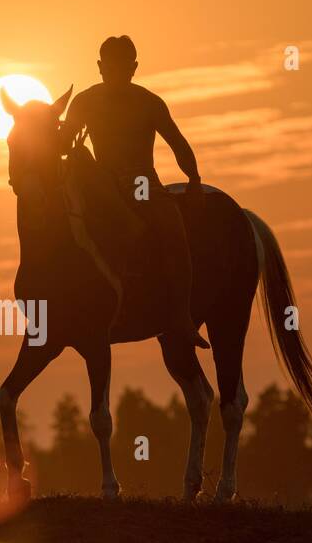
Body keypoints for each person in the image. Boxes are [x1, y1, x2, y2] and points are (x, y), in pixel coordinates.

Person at [61, 35, 209, 349]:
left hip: (144, 186)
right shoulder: (84, 103)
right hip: (100, 190)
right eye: (110, 67)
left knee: (174, 233)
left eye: (123, 67)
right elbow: (62, 144)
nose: (116, 73)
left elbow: (178, 144)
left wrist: (194, 179)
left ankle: (181, 316)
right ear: (100, 67)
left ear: (134, 68)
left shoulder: (149, 103)